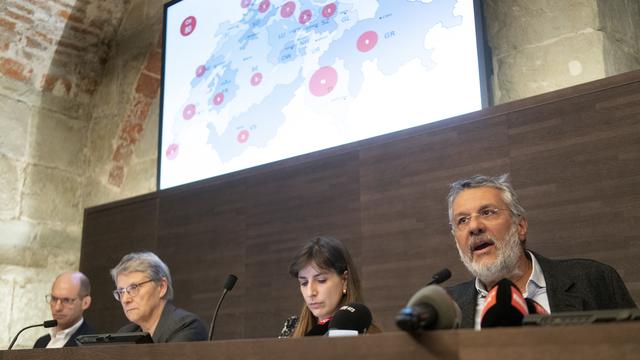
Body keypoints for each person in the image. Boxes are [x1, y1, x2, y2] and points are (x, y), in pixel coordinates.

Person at [445, 174, 637, 329]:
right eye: (462, 220)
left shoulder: (595, 280)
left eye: (487, 212)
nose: (474, 226)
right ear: (456, 240)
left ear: (520, 226)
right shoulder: (446, 308)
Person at [285, 236, 381, 337]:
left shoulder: (366, 333)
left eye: (321, 280)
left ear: (344, 280)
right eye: (304, 283)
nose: (310, 293)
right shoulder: (292, 327)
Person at [110, 251, 208, 342]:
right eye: (121, 291)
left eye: (134, 287)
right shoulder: (126, 334)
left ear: (161, 287)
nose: (125, 299)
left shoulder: (187, 326)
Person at [34, 272, 95, 348]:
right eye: (54, 299)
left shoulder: (92, 343)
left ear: (85, 303)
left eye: (66, 300)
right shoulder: (41, 343)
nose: (57, 308)